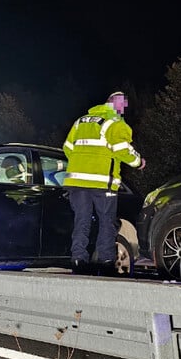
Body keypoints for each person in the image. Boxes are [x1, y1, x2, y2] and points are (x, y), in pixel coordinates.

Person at [62, 91, 145, 275]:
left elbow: (67, 148)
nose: (123, 110)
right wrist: (139, 162)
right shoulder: (115, 124)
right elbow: (123, 150)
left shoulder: (80, 122)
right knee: (106, 222)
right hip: (102, 183)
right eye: (123, 105)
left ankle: (78, 260)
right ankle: (106, 261)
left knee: (81, 221)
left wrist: (82, 165)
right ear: (116, 105)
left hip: (76, 182)